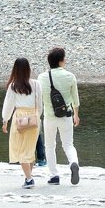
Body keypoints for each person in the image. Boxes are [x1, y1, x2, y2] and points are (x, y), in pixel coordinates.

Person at [37, 46, 81, 186]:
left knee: (49, 146)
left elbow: (39, 99)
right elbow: (76, 100)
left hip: (49, 117)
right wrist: (76, 115)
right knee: (68, 145)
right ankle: (73, 163)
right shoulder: (70, 76)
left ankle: (54, 175)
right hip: (66, 115)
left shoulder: (42, 78)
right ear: (61, 61)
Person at [1, 57, 42, 189]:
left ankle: (29, 179)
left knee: (20, 149)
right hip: (33, 117)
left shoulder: (13, 86)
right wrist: (38, 116)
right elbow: (40, 103)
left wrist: (5, 120)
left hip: (19, 118)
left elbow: (8, 105)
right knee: (29, 149)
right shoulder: (36, 84)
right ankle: (28, 177)